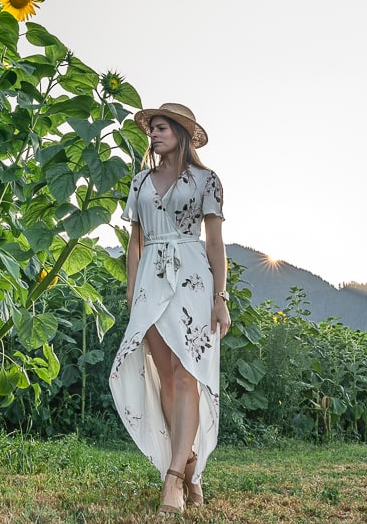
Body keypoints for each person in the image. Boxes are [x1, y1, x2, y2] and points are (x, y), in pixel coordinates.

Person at [108, 102, 230, 516]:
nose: (154, 134)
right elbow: (135, 242)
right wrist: (132, 291)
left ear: (180, 132)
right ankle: (190, 463)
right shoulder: (140, 180)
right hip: (150, 283)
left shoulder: (206, 180)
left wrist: (221, 298)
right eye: (152, 129)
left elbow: (214, 244)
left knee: (185, 376)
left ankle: (174, 478)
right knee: (163, 375)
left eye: (162, 128)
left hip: (194, 280)